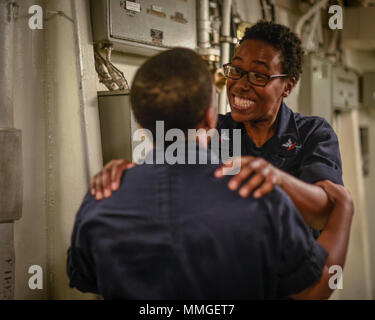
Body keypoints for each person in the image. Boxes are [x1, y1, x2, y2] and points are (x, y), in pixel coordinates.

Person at [67, 48, 353, 299]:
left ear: (141, 123)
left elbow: (85, 277)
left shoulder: (101, 199)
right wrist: (344, 210)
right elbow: (314, 290)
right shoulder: (261, 200)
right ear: (210, 117)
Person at [91, 21, 345, 235]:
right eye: (236, 70)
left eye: (258, 75)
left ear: (287, 86)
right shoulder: (216, 132)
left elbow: (325, 212)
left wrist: (277, 179)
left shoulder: (312, 134)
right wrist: (128, 173)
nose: (240, 85)